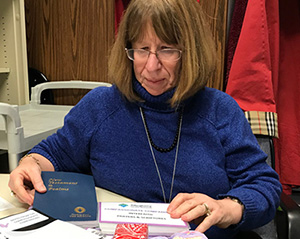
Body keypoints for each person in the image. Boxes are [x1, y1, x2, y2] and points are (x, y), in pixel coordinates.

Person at [9, 0, 282, 238]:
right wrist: (29, 163)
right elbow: (55, 153)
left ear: (191, 51)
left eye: (167, 49)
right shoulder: (100, 106)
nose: (151, 66)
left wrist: (227, 208)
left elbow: (264, 186)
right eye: (141, 49)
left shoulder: (220, 110)